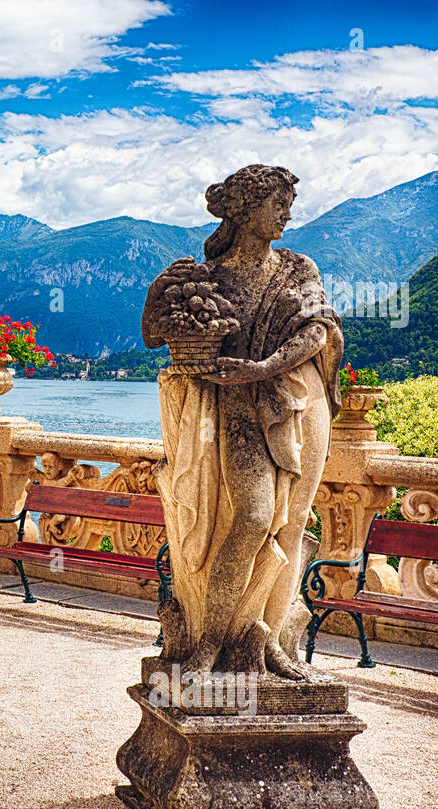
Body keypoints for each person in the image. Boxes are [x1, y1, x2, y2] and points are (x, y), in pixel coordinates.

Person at [141, 165, 343, 677]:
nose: (288, 213)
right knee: (254, 517)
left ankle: (269, 638)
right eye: (277, 202)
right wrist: (154, 296)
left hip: (295, 403)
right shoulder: (208, 278)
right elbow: (152, 337)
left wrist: (264, 367)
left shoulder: (299, 268)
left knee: (292, 524)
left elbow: (319, 331)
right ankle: (212, 640)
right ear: (243, 209)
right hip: (232, 411)